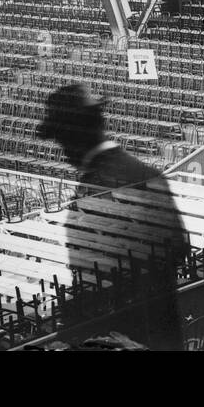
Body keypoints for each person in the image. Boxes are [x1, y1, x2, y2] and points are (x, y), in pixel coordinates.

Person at [38, 83, 189, 350]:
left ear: (74, 137)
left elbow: (97, 280)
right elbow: (179, 247)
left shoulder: (97, 188)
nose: (63, 150)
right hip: (163, 331)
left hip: (128, 336)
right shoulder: (145, 174)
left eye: (62, 139)